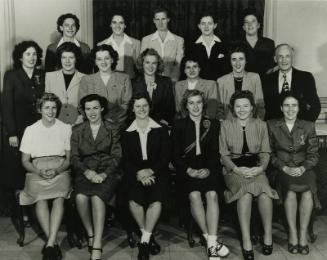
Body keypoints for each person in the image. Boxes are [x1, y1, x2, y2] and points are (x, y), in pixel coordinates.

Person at [219, 91, 278, 260]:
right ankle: (246, 239)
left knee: (265, 193)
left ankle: (267, 235)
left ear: (252, 107)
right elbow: (223, 154)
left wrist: (260, 169)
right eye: (238, 106)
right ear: (233, 108)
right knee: (244, 194)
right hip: (233, 170)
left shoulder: (260, 124)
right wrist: (237, 170)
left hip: (256, 168)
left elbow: (266, 152)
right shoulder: (226, 125)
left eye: (246, 106)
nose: (242, 109)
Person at [171, 89, 230, 259]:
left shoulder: (213, 124)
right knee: (195, 195)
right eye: (191, 103)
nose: (195, 106)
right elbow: (174, 155)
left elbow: (215, 152)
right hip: (187, 169)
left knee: (212, 195)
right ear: (186, 106)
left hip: (208, 167)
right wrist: (188, 170)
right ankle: (212, 242)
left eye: (198, 102)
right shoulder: (179, 125)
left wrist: (209, 169)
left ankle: (210, 242)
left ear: (203, 104)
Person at [19, 93, 71, 260]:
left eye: (54, 107)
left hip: (60, 168)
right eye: (47, 107)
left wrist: (58, 170)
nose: (50, 111)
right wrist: (38, 171)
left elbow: (69, 159)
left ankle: (49, 244)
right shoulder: (31, 130)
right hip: (36, 169)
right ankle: (53, 242)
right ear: (40, 109)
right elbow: (25, 161)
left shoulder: (65, 128)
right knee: (40, 198)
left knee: (59, 198)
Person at [71, 94, 122, 260]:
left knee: (97, 198)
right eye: (87, 109)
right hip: (85, 172)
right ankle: (90, 233)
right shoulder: (77, 130)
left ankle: (97, 244)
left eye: (95, 108)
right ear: (83, 111)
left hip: (108, 173)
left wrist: (104, 174)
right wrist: (87, 172)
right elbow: (74, 157)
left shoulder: (112, 128)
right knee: (80, 198)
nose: (91, 112)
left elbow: (116, 156)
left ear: (101, 109)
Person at [267, 93, 319, 255]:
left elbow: (313, 155)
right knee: (289, 191)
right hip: (281, 170)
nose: (290, 109)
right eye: (287, 105)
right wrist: (284, 167)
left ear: (299, 108)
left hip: (304, 169)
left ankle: (302, 235)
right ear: (281, 108)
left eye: (294, 105)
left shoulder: (308, 126)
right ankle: (293, 235)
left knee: (307, 193)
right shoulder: (271, 125)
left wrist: (303, 168)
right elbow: (269, 153)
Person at [121, 93, 170, 260]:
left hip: (157, 171)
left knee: (156, 201)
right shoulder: (126, 131)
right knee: (134, 202)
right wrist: (139, 173)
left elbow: (165, 158)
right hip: (134, 172)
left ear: (150, 107)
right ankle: (147, 236)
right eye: (138, 106)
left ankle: (144, 241)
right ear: (132, 109)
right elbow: (125, 160)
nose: (142, 109)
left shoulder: (161, 129)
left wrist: (150, 171)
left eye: (145, 106)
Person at [2, 41, 45, 193]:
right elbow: (7, 107)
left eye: (34, 54)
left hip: (38, 128)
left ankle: (34, 203)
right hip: (18, 127)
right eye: (28, 54)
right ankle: (19, 208)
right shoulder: (12, 76)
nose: (32, 57)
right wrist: (12, 133)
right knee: (17, 166)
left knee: (35, 162)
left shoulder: (42, 75)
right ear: (20, 57)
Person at [79, 44, 132, 129]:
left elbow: (127, 104)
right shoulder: (86, 80)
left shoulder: (124, 78)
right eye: (99, 59)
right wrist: (98, 121)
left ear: (112, 60)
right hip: (94, 126)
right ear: (95, 62)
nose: (103, 62)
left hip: (119, 125)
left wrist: (113, 120)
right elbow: (81, 106)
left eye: (106, 58)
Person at [263, 43, 321, 121]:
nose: (284, 60)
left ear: (292, 58)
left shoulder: (306, 77)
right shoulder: (266, 80)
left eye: (287, 56)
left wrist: (303, 128)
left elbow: (315, 107)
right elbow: (263, 108)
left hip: (300, 130)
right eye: (280, 56)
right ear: (275, 59)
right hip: (273, 129)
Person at [217, 46, 265, 120]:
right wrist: (223, 124)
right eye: (234, 59)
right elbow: (219, 109)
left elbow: (260, 107)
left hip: (250, 125)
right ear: (230, 61)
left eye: (241, 59)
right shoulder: (221, 81)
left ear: (246, 61)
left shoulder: (255, 78)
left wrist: (256, 124)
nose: (237, 63)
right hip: (229, 126)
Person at [132, 48, 175, 126]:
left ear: (158, 65)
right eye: (147, 62)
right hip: (139, 125)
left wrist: (164, 121)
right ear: (142, 63)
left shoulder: (166, 82)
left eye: (154, 63)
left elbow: (171, 108)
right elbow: (131, 109)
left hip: (161, 125)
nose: (150, 66)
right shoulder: (133, 83)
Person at [141, 7, 184, 82]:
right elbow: (143, 63)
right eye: (157, 19)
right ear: (154, 21)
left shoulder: (179, 40)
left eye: (163, 19)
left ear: (168, 20)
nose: (160, 23)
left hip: (171, 81)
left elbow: (178, 64)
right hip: (151, 80)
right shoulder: (146, 40)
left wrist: (173, 80)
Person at [45, 42, 84, 125]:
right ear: (60, 59)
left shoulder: (85, 78)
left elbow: (88, 104)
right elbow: (46, 104)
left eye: (71, 57)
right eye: (64, 57)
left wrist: (80, 119)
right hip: (55, 124)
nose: (67, 61)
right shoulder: (49, 77)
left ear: (76, 59)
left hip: (78, 124)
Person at [97, 13, 140, 79]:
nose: (117, 26)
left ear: (125, 25)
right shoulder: (101, 45)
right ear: (110, 25)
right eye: (114, 22)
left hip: (130, 83)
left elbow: (139, 68)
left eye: (121, 23)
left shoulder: (136, 43)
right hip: (108, 83)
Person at [189, 14, 228, 81]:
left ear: (215, 26)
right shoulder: (191, 45)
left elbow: (227, 69)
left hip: (219, 84)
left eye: (209, 23)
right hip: (198, 85)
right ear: (199, 26)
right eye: (203, 23)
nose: (206, 27)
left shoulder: (224, 44)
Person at [239, 8, 275, 79]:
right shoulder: (236, 44)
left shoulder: (269, 44)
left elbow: (271, 68)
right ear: (243, 27)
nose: (250, 25)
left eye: (253, 21)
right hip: (242, 84)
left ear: (258, 25)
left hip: (264, 83)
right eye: (246, 22)